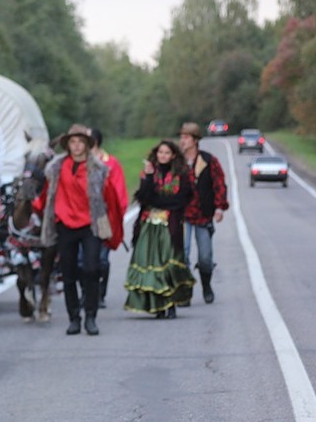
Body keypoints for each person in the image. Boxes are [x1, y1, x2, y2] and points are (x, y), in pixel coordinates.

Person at [33, 124, 124, 336]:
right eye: (73, 142)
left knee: (92, 270)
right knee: (69, 273)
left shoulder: (99, 170)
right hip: (65, 226)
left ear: (87, 145)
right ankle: (74, 317)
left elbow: (110, 198)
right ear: (68, 145)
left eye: (80, 142)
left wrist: (111, 226)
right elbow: (46, 197)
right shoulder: (56, 168)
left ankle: (90, 316)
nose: (76, 146)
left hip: (90, 225)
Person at [124, 140, 195, 318]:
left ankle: (171, 304)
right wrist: (148, 178)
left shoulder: (181, 175)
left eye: (166, 153)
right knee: (151, 265)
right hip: (149, 225)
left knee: (168, 265)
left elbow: (181, 200)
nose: (163, 156)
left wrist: (159, 202)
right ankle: (157, 306)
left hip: (170, 226)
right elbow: (145, 197)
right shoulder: (149, 173)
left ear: (173, 155)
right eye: (160, 152)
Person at [178, 122, 229, 304]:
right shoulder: (176, 161)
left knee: (205, 257)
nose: (182, 141)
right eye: (181, 137)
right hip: (181, 215)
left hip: (203, 215)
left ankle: (206, 286)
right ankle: (185, 290)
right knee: (181, 255)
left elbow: (219, 184)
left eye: (186, 137)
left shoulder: (209, 160)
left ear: (195, 140)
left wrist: (219, 207)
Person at [78, 128, 128, 308]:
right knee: (81, 260)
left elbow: (119, 190)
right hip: (83, 217)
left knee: (102, 259)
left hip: (103, 217)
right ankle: (86, 292)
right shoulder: (78, 163)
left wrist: (118, 215)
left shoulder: (111, 163)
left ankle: (100, 293)